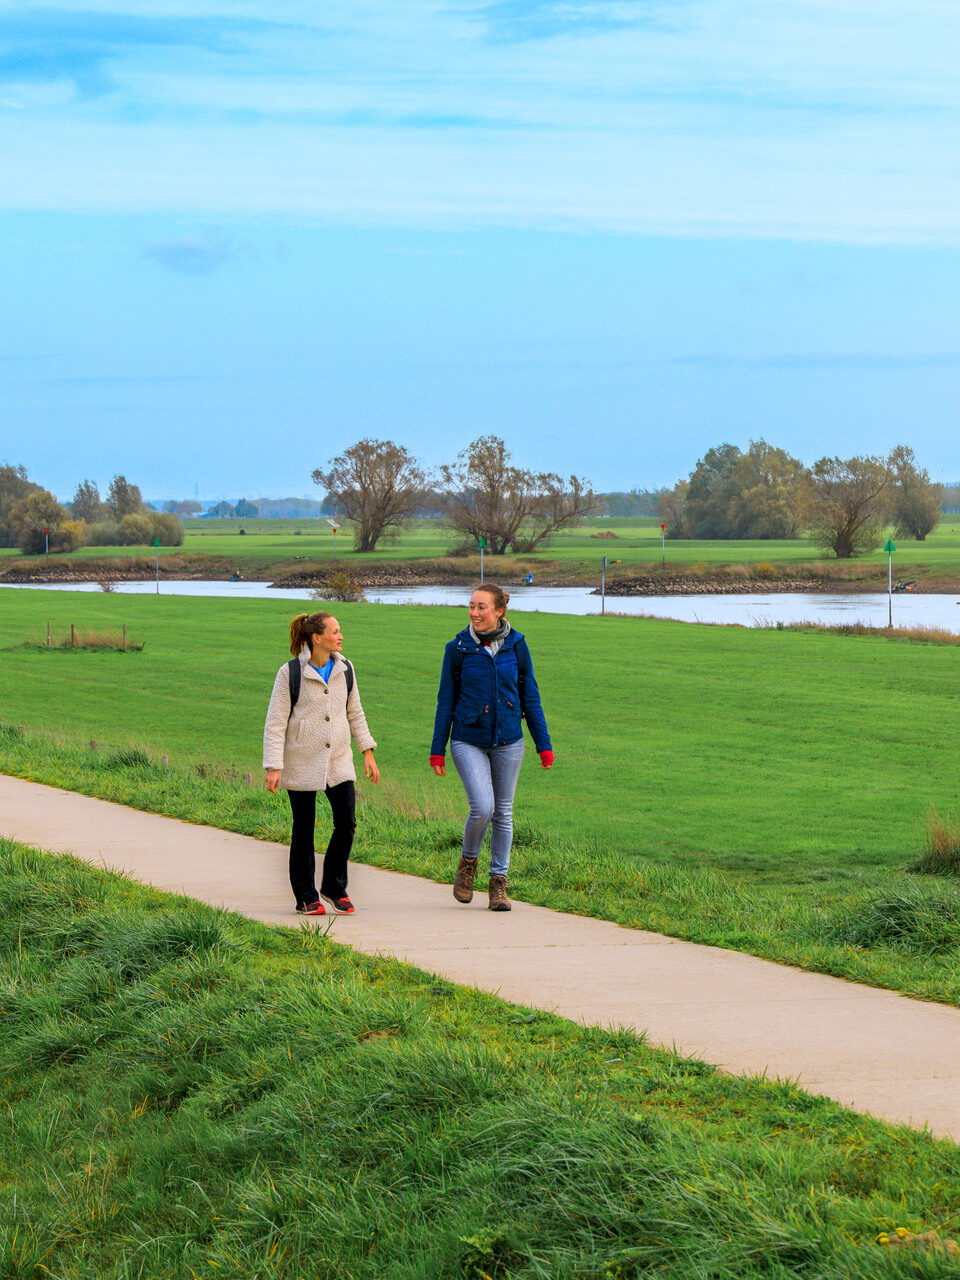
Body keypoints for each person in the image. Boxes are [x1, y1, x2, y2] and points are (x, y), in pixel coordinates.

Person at [430, 584, 553, 912]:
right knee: (482, 807)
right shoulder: (457, 648)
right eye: (471, 606)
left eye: (481, 607)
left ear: (499, 611)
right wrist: (437, 748)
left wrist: (543, 744)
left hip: (509, 741)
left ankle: (498, 883)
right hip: (467, 740)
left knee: (504, 813)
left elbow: (530, 696)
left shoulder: (517, 645)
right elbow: (446, 700)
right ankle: (467, 865)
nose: (474, 613)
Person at [263, 611, 379, 916]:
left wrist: (367, 750)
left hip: (339, 759)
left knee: (347, 822)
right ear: (317, 638)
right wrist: (273, 765)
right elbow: (275, 722)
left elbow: (355, 712)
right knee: (304, 828)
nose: (341, 636)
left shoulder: (346, 668)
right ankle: (306, 897)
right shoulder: (290, 673)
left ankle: (333, 887)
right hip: (301, 759)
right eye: (335, 631)